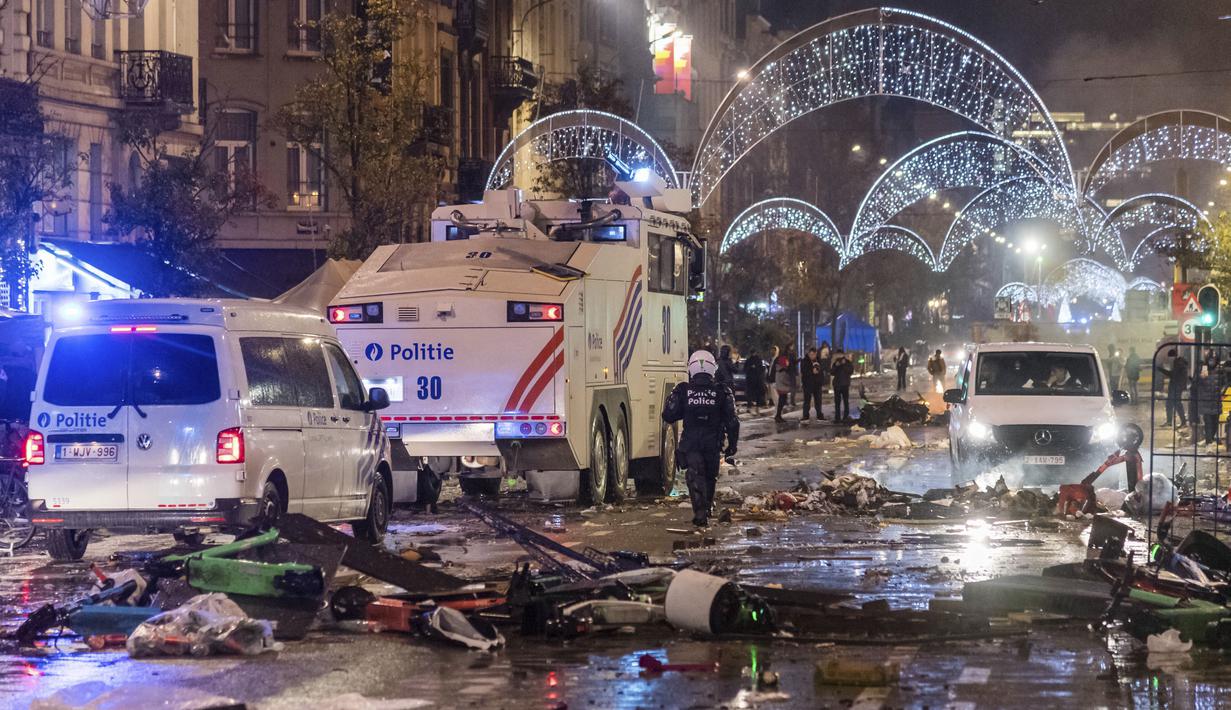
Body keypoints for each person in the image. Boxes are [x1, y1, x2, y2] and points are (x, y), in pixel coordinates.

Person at [662, 351, 739, 527]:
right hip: (713, 443)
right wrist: (732, 446)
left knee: (695, 475)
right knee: (710, 477)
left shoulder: (683, 390)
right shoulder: (722, 391)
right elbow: (733, 422)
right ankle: (706, 509)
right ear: (713, 369)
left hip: (691, 443)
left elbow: (668, 415)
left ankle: (701, 512)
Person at [1191, 362, 1221, 446]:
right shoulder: (1202, 368)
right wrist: (1201, 377)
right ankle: (1209, 443)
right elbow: (1194, 385)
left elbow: (1224, 382)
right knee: (1208, 423)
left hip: (1216, 402)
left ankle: (1210, 440)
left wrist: (1222, 392)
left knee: (1215, 424)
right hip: (1206, 402)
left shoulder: (1219, 370)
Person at [1158, 349, 1189, 427]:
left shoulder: (1178, 363)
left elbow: (1172, 375)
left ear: (1173, 356)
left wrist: (1161, 370)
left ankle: (1182, 422)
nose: (1169, 359)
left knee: (1176, 404)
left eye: (1170, 357)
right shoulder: (1178, 363)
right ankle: (1172, 421)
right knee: (1172, 403)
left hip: (1176, 387)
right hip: (1176, 386)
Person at [800, 347, 825, 421]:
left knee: (818, 400)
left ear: (816, 354)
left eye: (814, 354)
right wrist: (812, 371)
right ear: (808, 354)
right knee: (807, 400)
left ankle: (819, 415)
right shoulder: (805, 361)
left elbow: (822, 370)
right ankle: (805, 415)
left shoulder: (818, 360)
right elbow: (803, 371)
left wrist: (821, 379)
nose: (812, 356)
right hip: (808, 384)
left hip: (817, 383)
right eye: (811, 354)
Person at [831, 349, 855, 422]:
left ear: (843, 355)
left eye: (840, 354)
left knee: (845, 401)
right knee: (837, 402)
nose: (839, 356)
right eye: (837, 355)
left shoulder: (847, 362)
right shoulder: (836, 362)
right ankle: (837, 418)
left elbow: (850, 371)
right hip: (837, 385)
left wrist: (844, 364)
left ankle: (845, 417)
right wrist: (836, 366)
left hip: (845, 384)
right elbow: (832, 372)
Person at [744, 350, 767, 414]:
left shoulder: (750, 360)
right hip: (756, 380)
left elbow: (745, 369)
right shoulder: (758, 360)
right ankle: (755, 408)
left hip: (752, 380)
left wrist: (753, 368)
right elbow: (762, 369)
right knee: (755, 394)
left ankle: (752, 408)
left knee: (751, 394)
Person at [773, 353, 792, 423]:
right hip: (782, 388)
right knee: (782, 401)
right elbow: (783, 379)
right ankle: (778, 416)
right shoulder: (782, 370)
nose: (787, 363)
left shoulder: (780, 369)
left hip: (782, 387)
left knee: (782, 401)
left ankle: (778, 415)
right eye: (786, 361)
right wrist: (789, 383)